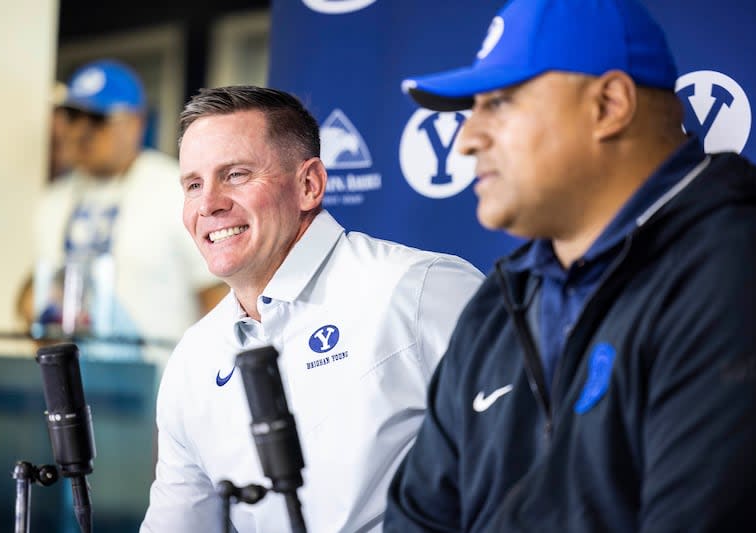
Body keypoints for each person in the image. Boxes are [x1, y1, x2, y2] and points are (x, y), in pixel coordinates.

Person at [385, 0, 756, 531]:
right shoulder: (502, 300)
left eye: (500, 103)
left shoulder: (734, 270)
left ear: (609, 105)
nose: (466, 139)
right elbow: (418, 519)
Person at [139, 86, 484, 532]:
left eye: (237, 175)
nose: (208, 204)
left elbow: (522, 474)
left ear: (309, 184)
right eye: (193, 185)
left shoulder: (419, 290)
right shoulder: (193, 357)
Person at [30, 59, 226, 363]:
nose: (80, 130)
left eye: (97, 119)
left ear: (136, 123)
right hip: (71, 382)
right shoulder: (53, 201)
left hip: (158, 387)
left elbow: (217, 295)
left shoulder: (178, 189)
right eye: (72, 115)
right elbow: (41, 288)